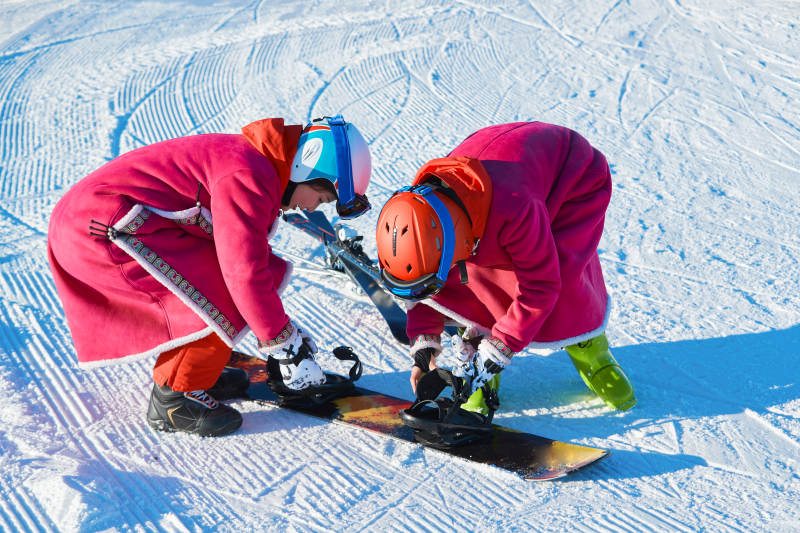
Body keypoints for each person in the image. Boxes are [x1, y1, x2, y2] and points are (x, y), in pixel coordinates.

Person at [48, 115, 372, 437]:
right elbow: (242, 272)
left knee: (250, 275)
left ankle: (200, 370)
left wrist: (280, 334)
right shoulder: (249, 174)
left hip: (100, 219)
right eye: (322, 198)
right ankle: (177, 397)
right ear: (307, 166)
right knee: (228, 290)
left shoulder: (255, 164)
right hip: (95, 228)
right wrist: (283, 342)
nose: (313, 208)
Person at [375, 121, 636, 414]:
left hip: (573, 179)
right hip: (502, 183)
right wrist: (424, 353)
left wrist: (500, 349)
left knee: (560, 279)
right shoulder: (427, 212)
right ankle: (479, 355)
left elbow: (541, 288)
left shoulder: (516, 211)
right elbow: (427, 284)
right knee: (475, 278)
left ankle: (590, 348)